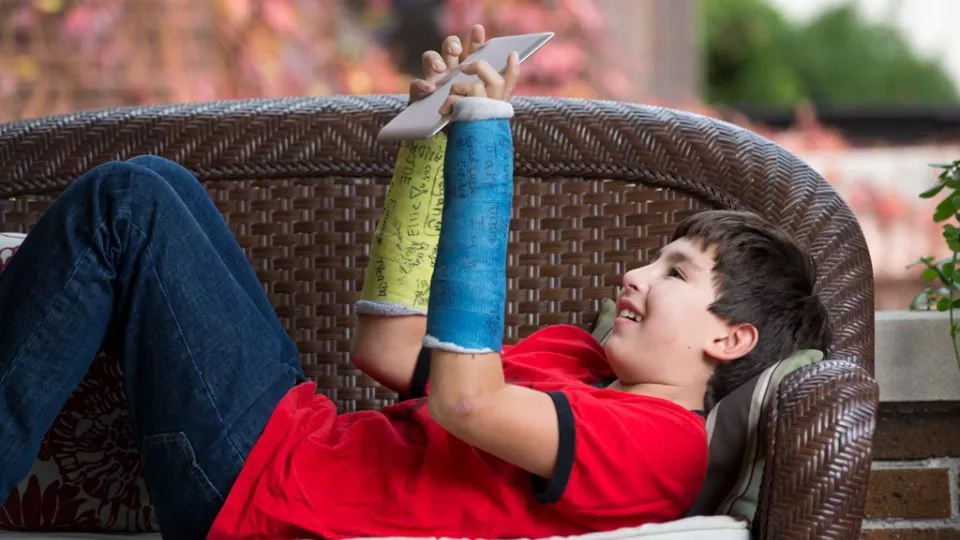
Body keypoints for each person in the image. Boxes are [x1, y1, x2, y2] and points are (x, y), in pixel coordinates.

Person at [0, 24, 831, 540]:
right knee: (161, 183)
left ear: (731, 338)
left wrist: (486, 141)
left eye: (675, 272)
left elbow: (464, 403)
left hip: (263, 505)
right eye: (653, 258)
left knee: (129, 201)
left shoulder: (664, 448)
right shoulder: (576, 358)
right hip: (294, 441)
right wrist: (432, 147)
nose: (635, 273)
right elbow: (386, 348)